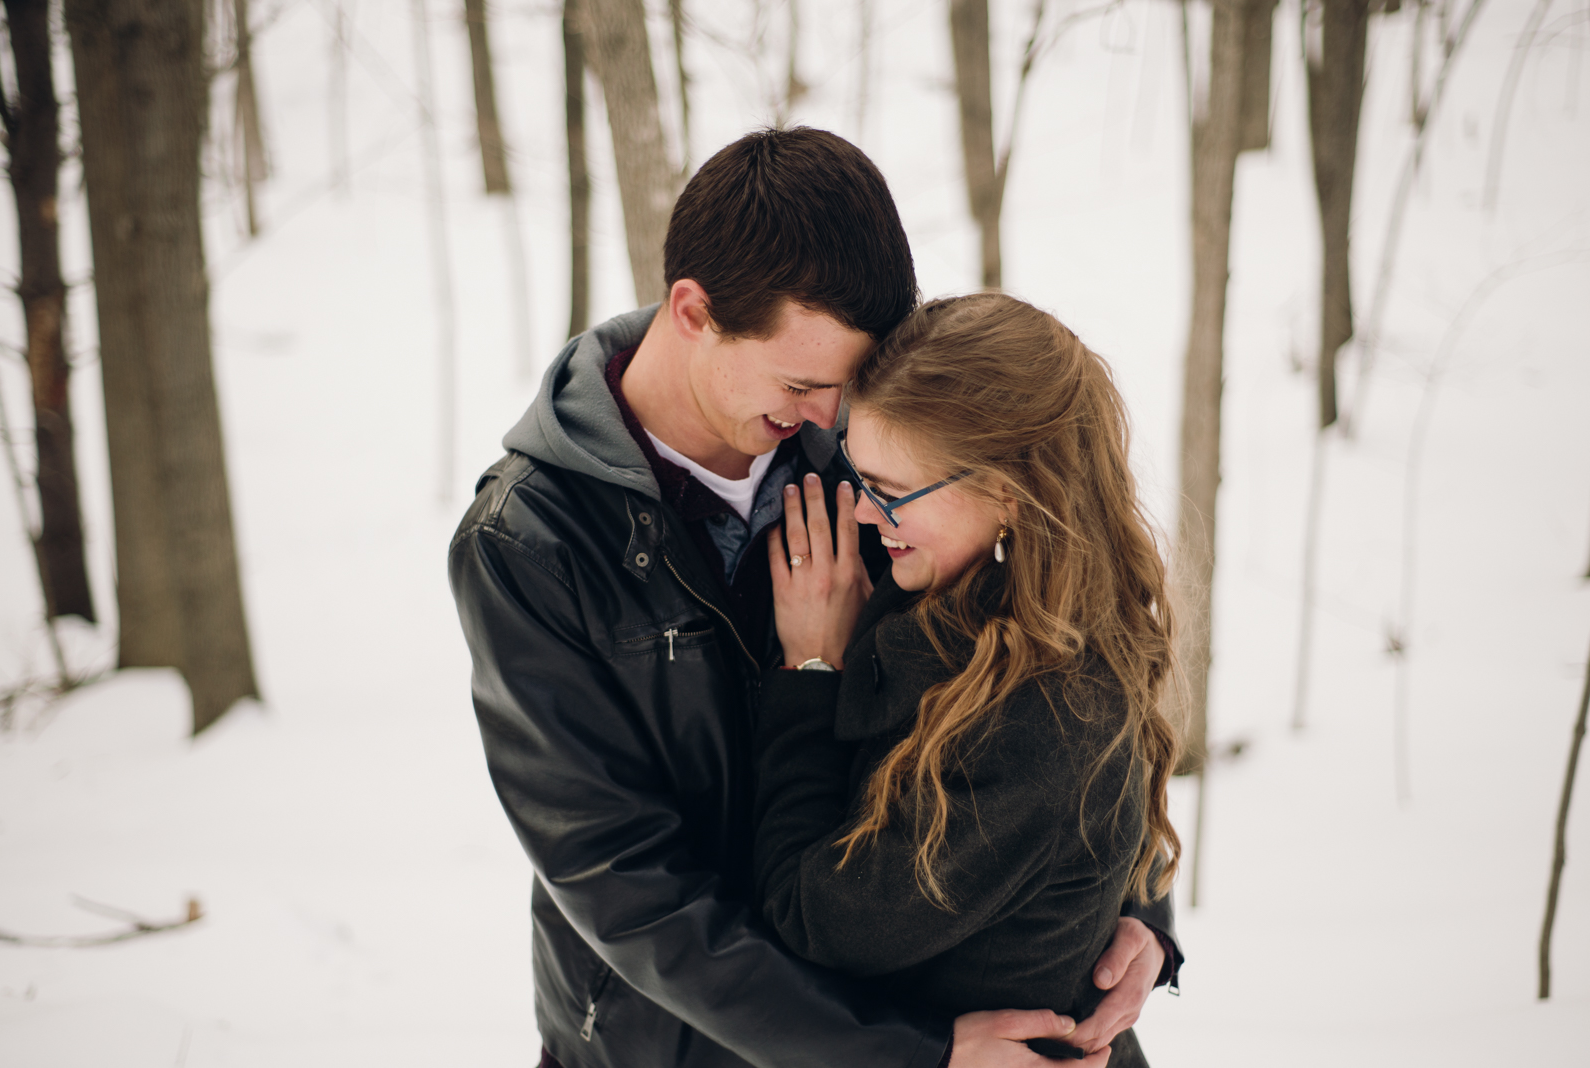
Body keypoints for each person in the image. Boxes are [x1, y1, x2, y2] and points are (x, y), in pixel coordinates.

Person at [447, 128, 1180, 1068]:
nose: (830, 420)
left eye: (848, 385)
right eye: (803, 384)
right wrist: (908, 1056)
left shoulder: (874, 448)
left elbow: (1055, 638)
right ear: (692, 310)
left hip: (923, 980)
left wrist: (1137, 901)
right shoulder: (530, 547)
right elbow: (630, 888)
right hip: (681, 1045)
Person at [755, 293, 1181, 1067]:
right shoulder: (992, 591)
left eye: (890, 490)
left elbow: (814, 916)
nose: (863, 513)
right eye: (860, 475)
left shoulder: (1045, 718)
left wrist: (811, 673)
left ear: (1011, 492)